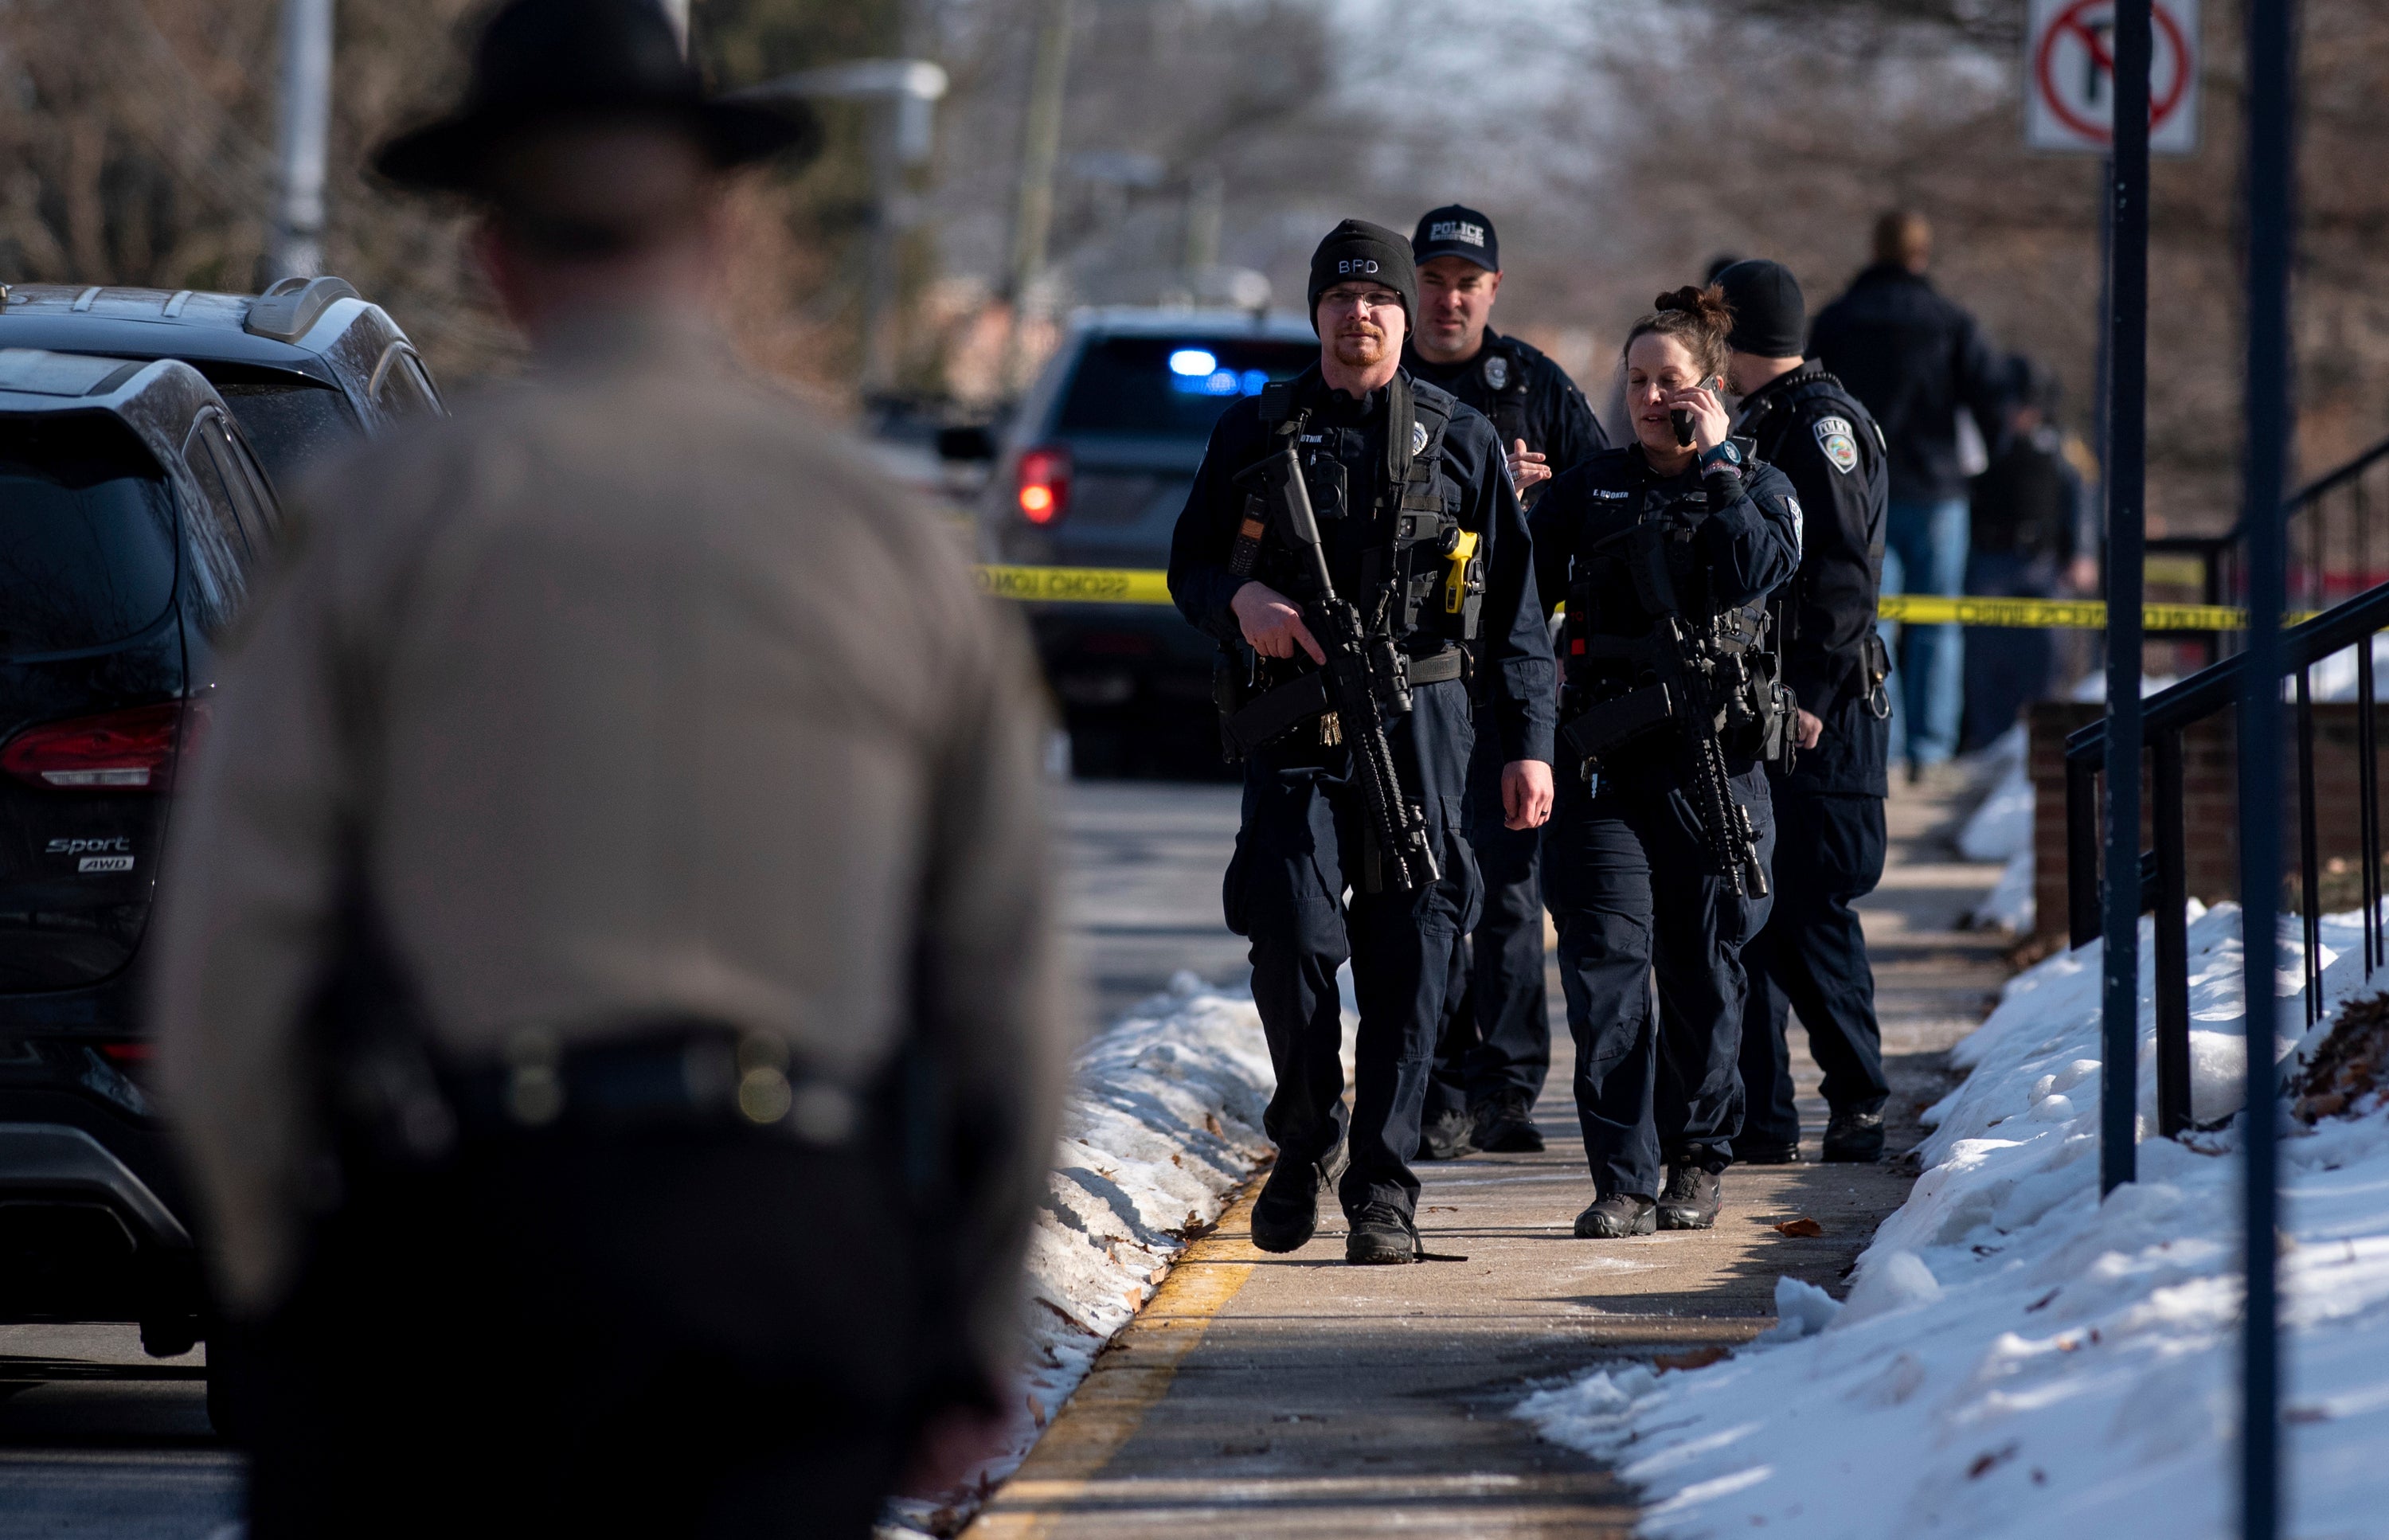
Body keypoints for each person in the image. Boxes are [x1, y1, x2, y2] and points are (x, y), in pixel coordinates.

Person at [151, 2, 1069, 1534]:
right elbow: (1003, 979)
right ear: (717, 233)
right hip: (789, 1246)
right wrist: (967, 1315)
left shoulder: (381, 526)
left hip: (455, 1243)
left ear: (490, 254)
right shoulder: (883, 537)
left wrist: (276, 1274)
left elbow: (235, 951)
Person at [1167, 218, 1555, 1265]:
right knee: (1290, 934)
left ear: (1401, 317)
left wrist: (1530, 745)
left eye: (1378, 300)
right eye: (1341, 300)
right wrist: (1240, 596)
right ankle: (1305, 1132)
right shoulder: (1257, 431)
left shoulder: (1461, 436)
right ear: (1318, 314)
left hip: (1423, 722)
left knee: (1415, 951)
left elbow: (1514, 612)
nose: (1362, 317)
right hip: (1293, 716)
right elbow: (1190, 566)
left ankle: (1383, 1191)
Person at [1530, 287, 1801, 1237]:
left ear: (1712, 389)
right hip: (1603, 769)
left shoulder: (1760, 486)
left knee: (1701, 970)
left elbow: (1755, 568)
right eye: (1638, 381)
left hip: (1712, 773)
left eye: (1670, 382)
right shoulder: (1590, 488)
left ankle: (1696, 1156)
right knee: (1605, 971)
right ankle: (1622, 1177)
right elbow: (1516, 598)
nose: (1650, 397)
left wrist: (1719, 462)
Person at [1402, 204, 1608, 1160]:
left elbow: (1615, 505)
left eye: (1466, 281)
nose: (1449, 297)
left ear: (1493, 290)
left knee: (1513, 894)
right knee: (1427, 884)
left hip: (1513, 680)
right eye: (1434, 279)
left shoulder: (1530, 383)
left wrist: (1544, 496)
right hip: (1408, 680)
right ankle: (1439, 1084)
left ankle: (1509, 1089)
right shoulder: (1381, 379)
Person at [1712, 259, 1895, 1165]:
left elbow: (1844, 578)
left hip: (1822, 710)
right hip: (1771, 704)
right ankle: (1762, 1117)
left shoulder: (1820, 425)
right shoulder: (1765, 419)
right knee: (1752, 909)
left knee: (1809, 909)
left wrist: (1813, 696)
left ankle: (1859, 1097)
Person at [1808, 210, 2008, 784]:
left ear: (1874, 249)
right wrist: (1978, 467)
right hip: (1939, 490)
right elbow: (1994, 400)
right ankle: (1933, 748)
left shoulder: (1839, 320)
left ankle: (1884, 745)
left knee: (1871, 620)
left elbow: (1812, 393)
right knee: (1939, 623)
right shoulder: (1951, 321)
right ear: (1922, 254)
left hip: (1860, 490)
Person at [1962, 354, 2099, 750]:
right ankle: (1989, 743)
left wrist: (2083, 553)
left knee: (2046, 658)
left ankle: (2040, 743)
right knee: (1985, 662)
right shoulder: (1984, 440)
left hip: (2044, 564)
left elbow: (2082, 497)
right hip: (1989, 560)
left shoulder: (2063, 444)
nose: (2020, 413)